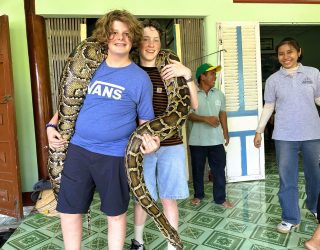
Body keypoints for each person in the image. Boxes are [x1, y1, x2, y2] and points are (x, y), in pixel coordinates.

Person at [46, 10, 160, 250]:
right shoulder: (90, 66)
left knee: (116, 214)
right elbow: (69, 101)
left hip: (115, 155)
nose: (121, 38)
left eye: (127, 34)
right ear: (105, 37)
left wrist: (152, 143)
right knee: (69, 211)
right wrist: (50, 125)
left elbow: (145, 124)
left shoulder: (140, 79)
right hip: (79, 149)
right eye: (115, 33)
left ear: (133, 39)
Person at [130, 19, 198, 250]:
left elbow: (194, 105)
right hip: (142, 145)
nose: (151, 44)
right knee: (143, 197)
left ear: (161, 43)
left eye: (156, 40)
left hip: (172, 145)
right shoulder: (130, 70)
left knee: (169, 197)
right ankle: (137, 241)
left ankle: (172, 244)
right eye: (146, 39)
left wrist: (187, 73)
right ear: (138, 43)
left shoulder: (172, 68)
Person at [254, 37, 320, 234]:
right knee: (287, 178)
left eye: (290, 52)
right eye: (281, 53)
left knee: (315, 175)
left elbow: (318, 98)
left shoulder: (313, 73)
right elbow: (269, 106)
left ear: (298, 52)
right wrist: (259, 131)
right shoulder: (273, 80)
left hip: (312, 133)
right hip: (284, 135)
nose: (286, 56)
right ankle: (290, 218)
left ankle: (316, 208)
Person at [188, 63, 233, 209]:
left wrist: (226, 132)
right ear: (202, 76)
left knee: (219, 170)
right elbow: (188, 116)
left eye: (215, 73)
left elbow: (222, 114)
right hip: (197, 140)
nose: (214, 76)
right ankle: (198, 195)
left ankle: (220, 198)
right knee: (198, 170)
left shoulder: (219, 94)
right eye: (212, 74)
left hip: (216, 140)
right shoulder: (191, 94)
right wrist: (206, 119)